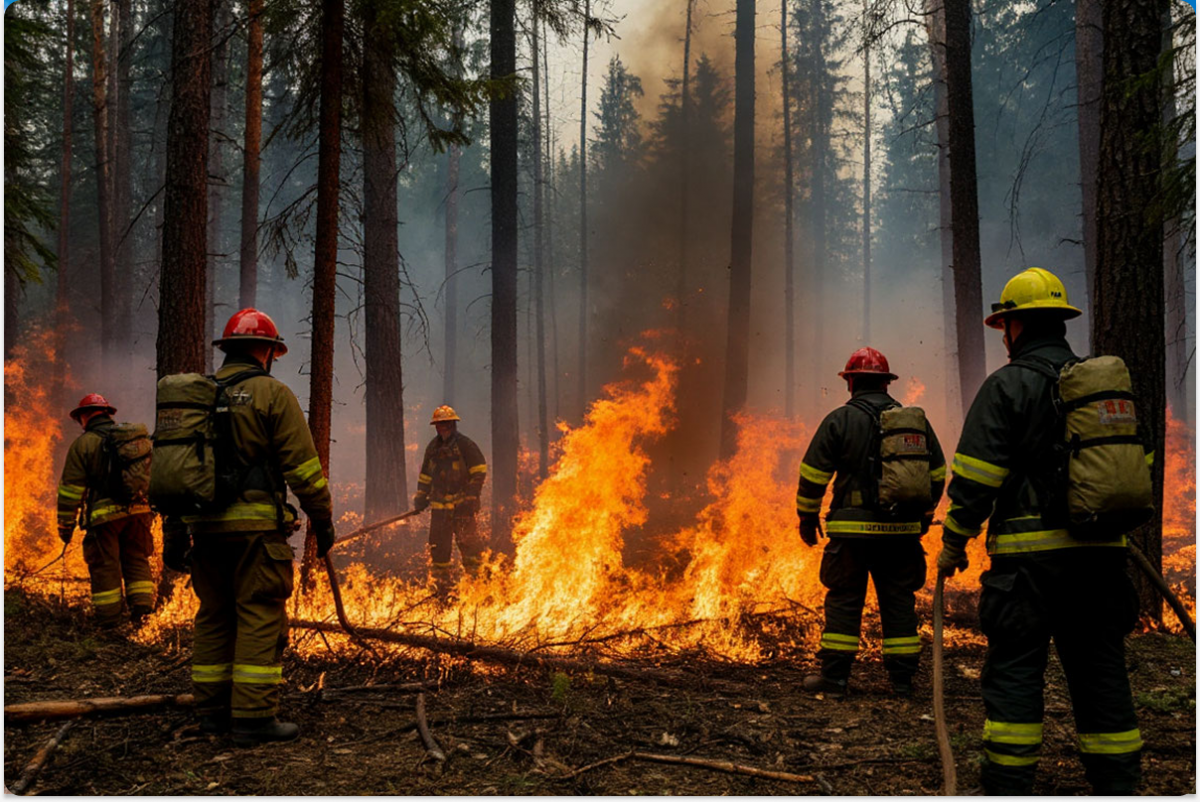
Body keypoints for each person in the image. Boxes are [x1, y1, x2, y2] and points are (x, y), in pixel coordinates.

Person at [936, 267, 1143, 795]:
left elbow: (977, 478)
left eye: (1004, 325)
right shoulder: (1097, 389)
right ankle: (1118, 784)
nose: (1004, 336)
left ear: (1016, 326)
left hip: (1030, 569)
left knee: (1015, 672)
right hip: (1102, 561)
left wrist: (954, 542)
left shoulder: (1008, 385)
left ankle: (1008, 784)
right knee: (1101, 674)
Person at [162, 308, 335, 747]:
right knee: (259, 614)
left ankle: (212, 713)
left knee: (215, 615)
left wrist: (176, 528)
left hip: (204, 530)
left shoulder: (197, 397)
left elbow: (175, 467)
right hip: (256, 533)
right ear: (267, 351)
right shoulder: (271, 394)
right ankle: (254, 718)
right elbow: (303, 468)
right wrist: (322, 516)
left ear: (228, 350)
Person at [795, 347, 946, 697]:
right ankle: (903, 682)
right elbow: (937, 474)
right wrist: (923, 517)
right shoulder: (913, 422)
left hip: (852, 535)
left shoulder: (839, 420)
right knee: (898, 602)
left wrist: (807, 517)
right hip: (901, 534)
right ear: (886, 383)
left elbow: (813, 475)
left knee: (845, 600)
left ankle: (835, 681)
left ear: (851, 382)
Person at [56, 394, 155, 627]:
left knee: (105, 566)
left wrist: (65, 525)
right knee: (137, 560)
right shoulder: (131, 440)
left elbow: (71, 490)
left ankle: (110, 623)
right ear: (107, 413)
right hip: (139, 511)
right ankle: (143, 614)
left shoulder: (84, 444)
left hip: (105, 517)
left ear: (84, 415)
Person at [412, 405, 488, 594]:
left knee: (470, 549)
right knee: (439, 551)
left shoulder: (465, 445)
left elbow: (479, 471)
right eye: (439, 425)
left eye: (446, 424)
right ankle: (442, 591)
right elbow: (425, 475)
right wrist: (421, 496)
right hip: (440, 509)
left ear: (453, 424)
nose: (442, 428)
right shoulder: (433, 448)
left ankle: (477, 589)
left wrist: (471, 496)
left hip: (463, 507)